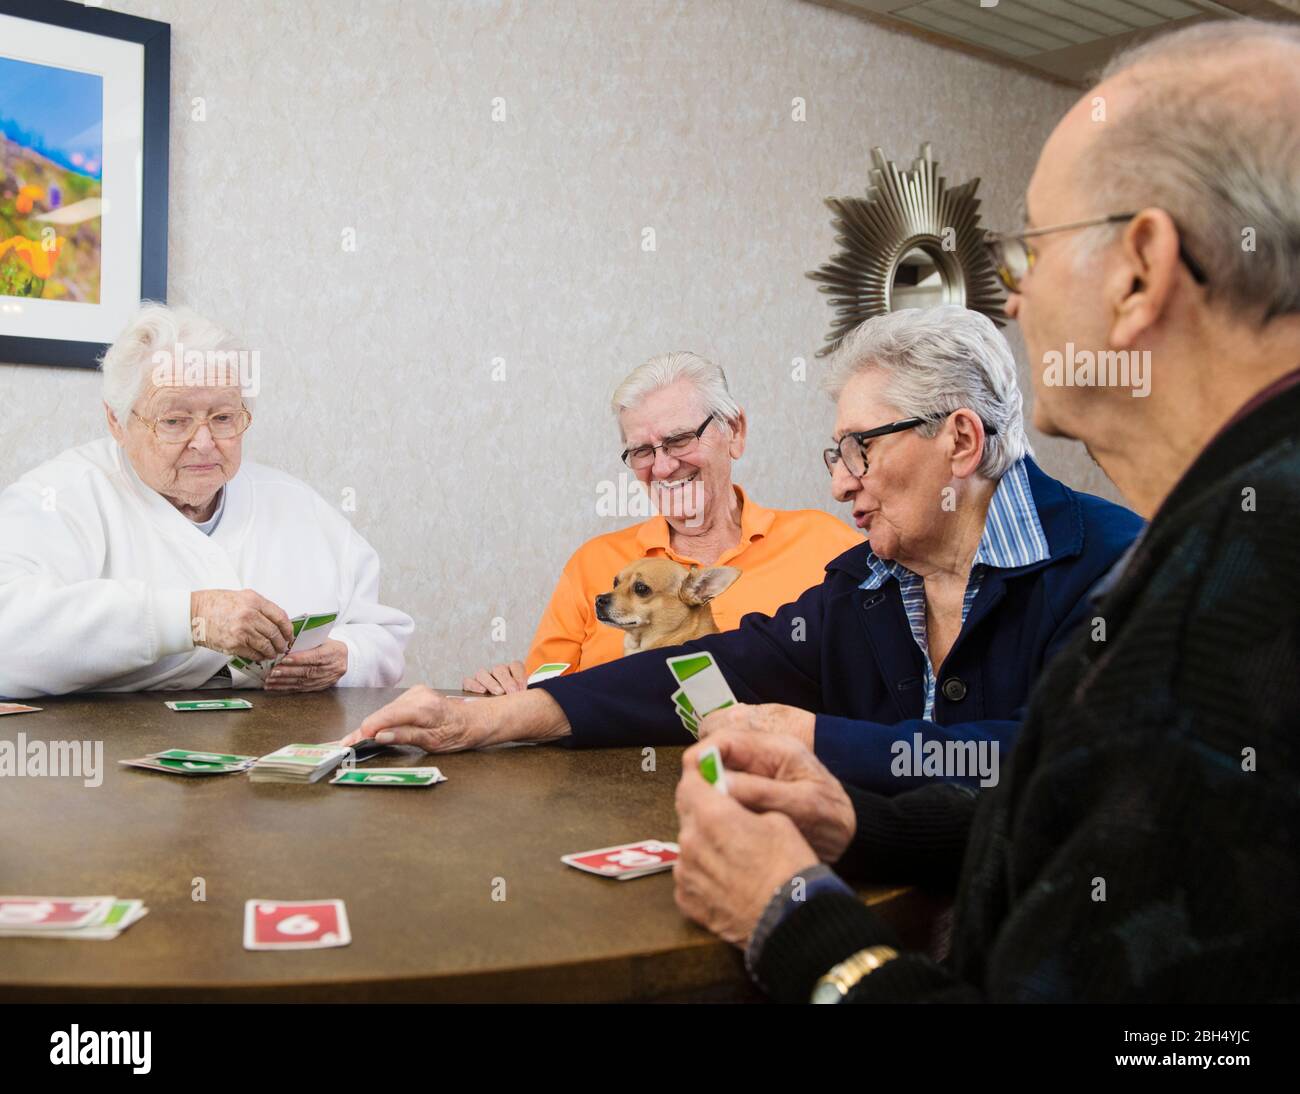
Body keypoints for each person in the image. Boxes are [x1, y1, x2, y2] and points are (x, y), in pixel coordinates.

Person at [672, 19, 1300, 1002]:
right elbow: (1092, 815)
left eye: (1031, 254)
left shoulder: (1220, 598)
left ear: (1139, 268)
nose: (1013, 303)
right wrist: (864, 823)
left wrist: (789, 912)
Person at [346, 306, 1141, 793]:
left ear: (960, 439)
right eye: (838, 456)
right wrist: (479, 722)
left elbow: (1057, 760)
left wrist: (812, 738)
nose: (842, 484)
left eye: (860, 450)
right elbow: (699, 672)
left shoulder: (1116, 565)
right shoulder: (866, 584)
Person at [0, 303, 412, 698]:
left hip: (272, 748)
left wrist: (348, 657)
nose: (204, 443)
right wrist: (189, 616)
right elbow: (9, 639)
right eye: (175, 421)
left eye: (223, 418)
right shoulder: (61, 496)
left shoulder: (296, 503)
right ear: (117, 421)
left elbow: (382, 636)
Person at [462, 350, 860, 693]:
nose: (664, 467)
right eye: (641, 451)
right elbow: (546, 694)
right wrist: (508, 687)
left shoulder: (827, 545)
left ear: (734, 432)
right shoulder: (593, 563)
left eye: (680, 440)